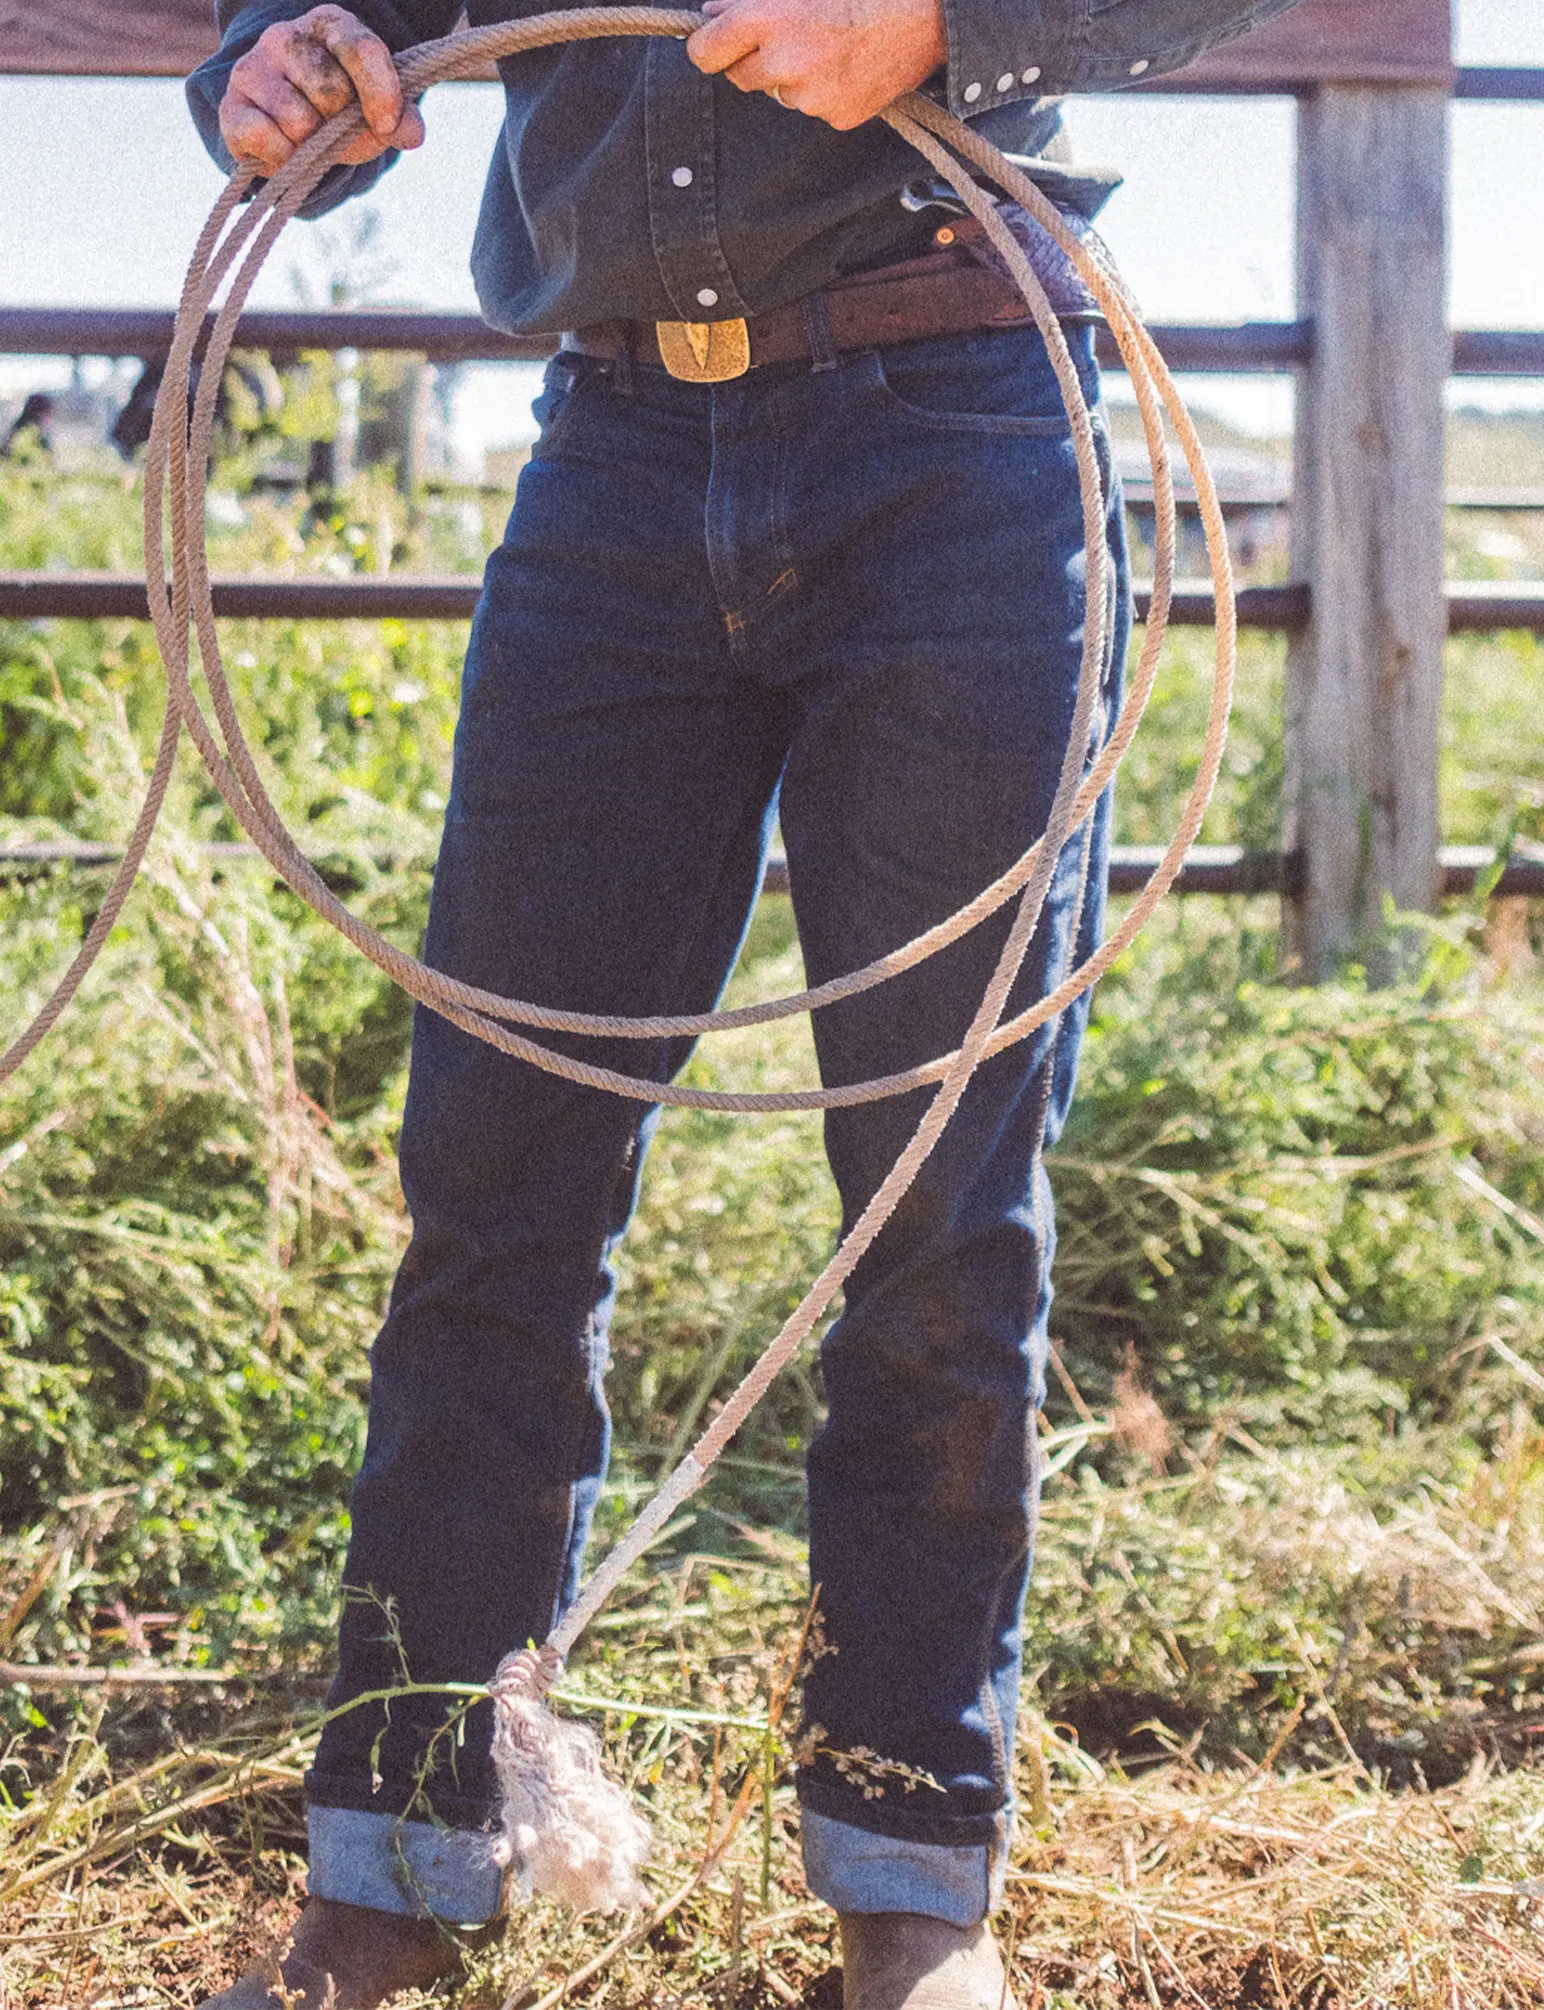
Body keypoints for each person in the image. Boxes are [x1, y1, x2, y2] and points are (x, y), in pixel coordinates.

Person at [184, 0, 1295, 2003]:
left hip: (962, 423)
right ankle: (400, 1857)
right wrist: (280, 54)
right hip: (616, 448)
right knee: (495, 1181)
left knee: (942, 1205)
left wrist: (945, 22)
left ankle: (911, 1880)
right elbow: (350, 20)